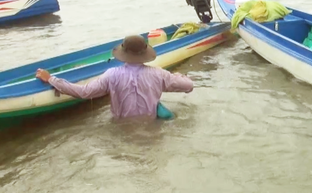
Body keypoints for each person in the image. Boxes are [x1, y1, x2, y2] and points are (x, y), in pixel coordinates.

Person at [35, 35, 194, 120]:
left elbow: (83, 92)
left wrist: (51, 79)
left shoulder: (112, 75)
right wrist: (179, 76)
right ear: (145, 54)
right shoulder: (160, 74)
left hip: (121, 127)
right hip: (151, 127)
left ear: (123, 54)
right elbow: (189, 86)